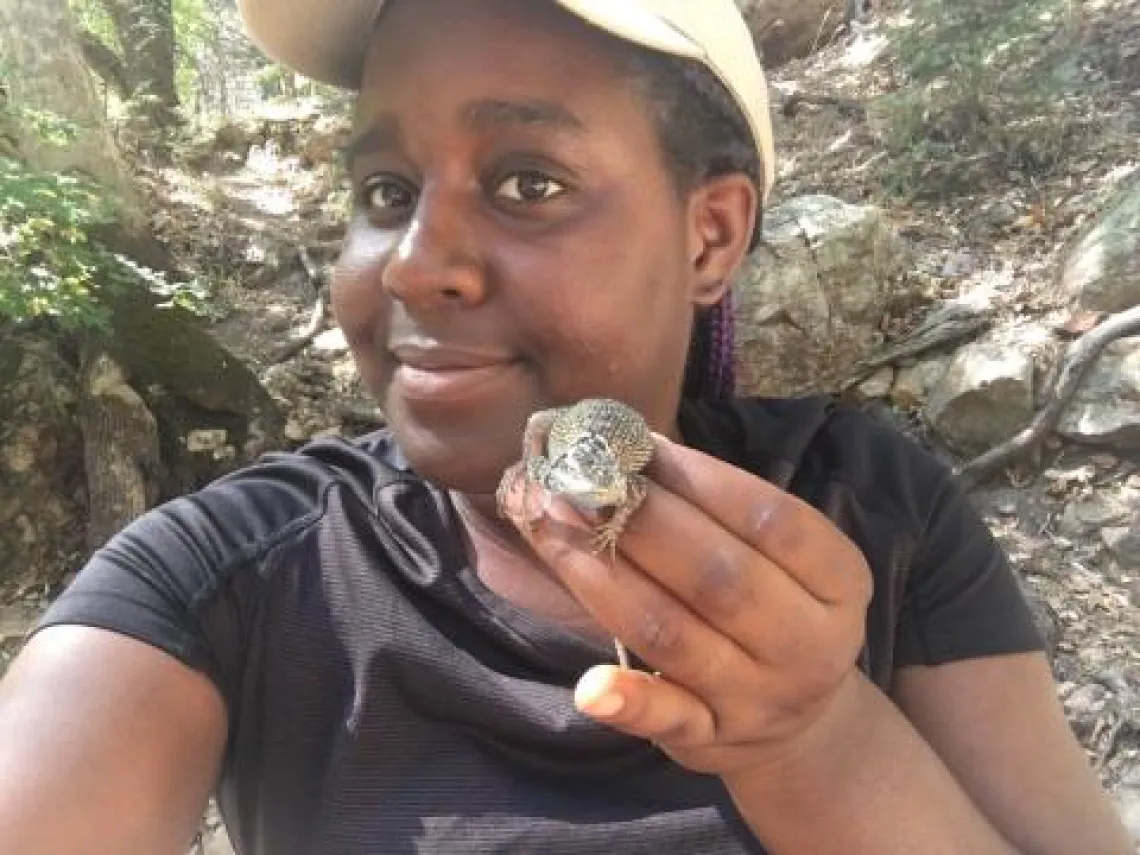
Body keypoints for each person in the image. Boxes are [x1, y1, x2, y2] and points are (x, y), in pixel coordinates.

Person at [0, 1, 1131, 853]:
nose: (415, 262)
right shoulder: (231, 575)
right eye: (387, 191)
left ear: (710, 236)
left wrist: (814, 739)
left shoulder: (865, 503)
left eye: (529, 182)